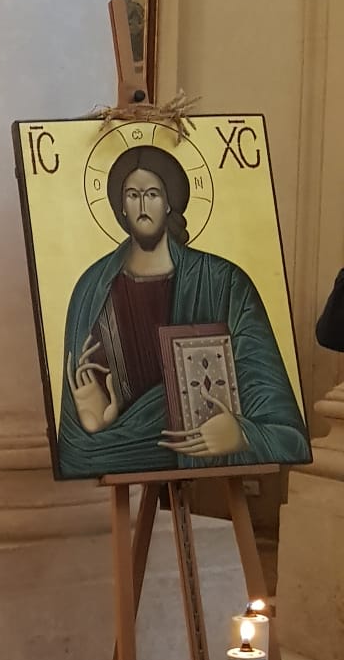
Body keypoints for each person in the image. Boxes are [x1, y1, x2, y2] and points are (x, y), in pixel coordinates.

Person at [59, 143, 309, 476]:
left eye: (152, 194)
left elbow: (279, 419)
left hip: (208, 444)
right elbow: (76, 440)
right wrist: (93, 425)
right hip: (113, 449)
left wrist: (243, 434)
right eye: (132, 195)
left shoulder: (223, 282)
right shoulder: (92, 289)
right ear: (121, 207)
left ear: (169, 203)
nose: (142, 205)